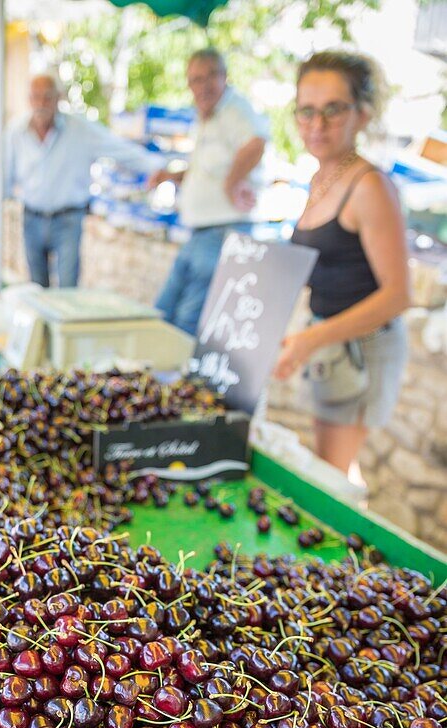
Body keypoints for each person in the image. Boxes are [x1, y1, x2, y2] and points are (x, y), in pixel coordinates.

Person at [273, 51, 410, 478]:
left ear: (363, 114)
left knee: (330, 479)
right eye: (307, 111)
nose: (317, 124)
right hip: (330, 348)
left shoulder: (369, 187)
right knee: (330, 470)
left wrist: (311, 338)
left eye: (333, 110)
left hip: (360, 353)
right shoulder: (322, 177)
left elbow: (398, 296)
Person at [0, 74, 163, 288]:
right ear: (29, 99)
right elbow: (1, 180)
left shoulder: (80, 130)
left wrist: (159, 167)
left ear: (58, 98)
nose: (41, 104)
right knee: (36, 287)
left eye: (47, 97)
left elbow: (119, 149)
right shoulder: (16, 133)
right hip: (32, 218)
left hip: (68, 220)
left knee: (68, 288)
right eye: (36, 97)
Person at [150, 49, 269, 335]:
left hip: (221, 231)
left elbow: (255, 144)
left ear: (224, 77)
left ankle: (177, 380)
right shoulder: (206, 117)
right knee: (162, 314)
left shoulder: (235, 110)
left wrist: (232, 183)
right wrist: (171, 176)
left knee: (186, 322)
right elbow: (204, 170)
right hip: (199, 232)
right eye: (195, 79)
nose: (202, 86)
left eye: (209, 77)